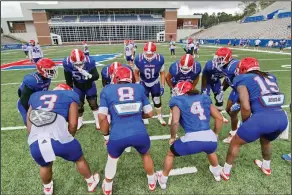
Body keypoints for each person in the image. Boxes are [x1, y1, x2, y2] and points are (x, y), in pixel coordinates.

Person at [220, 57, 288, 180]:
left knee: (235, 142)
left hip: (262, 119)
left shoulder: (242, 78)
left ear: (243, 69)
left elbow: (245, 107)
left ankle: (225, 171)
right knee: (266, 140)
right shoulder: (271, 76)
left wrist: (247, 123)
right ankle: (266, 167)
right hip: (281, 117)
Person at [27, 83, 100, 195]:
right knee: (79, 159)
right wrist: (69, 137)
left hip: (37, 140)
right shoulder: (70, 96)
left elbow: (29, 121)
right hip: (60, 138)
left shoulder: (35, 96)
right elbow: (73, 124)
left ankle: (47, 189)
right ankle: (91, 182)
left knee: (45, 164)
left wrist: (34, 137)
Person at [98, 67, 157, 195]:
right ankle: (152, 181)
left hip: (117, 134)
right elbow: (150, 113)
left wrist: (106, 136)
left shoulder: (107, 90)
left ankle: (108, 186)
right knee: (146, 155)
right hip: (139, 132)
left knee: (112, 159)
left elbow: (102, 117)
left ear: (115, 78)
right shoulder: (139, 88)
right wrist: (136, 116)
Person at [157, 81, 224, 190]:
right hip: (210, 138)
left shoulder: (177, 100)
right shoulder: (204, 97)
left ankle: (163, 180)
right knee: (210, 150)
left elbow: (175, 122)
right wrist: (215, 134)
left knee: (170, 154)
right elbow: (219, 118)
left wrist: (173, 137)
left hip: (192, 140)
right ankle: (216, 173)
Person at [63, 49, 100, 130]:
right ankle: (80, 121)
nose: (79, 66)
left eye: (81, 63)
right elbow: (68, 77)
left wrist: (89, 75)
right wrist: (69, 87)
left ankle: (97, 120)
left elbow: (96, 76)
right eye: (77, 64)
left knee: (93, 103)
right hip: (77, 86)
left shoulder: (90, 61)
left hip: (89, 85)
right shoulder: (67, 63)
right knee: (78, 105)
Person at [211, 47, 241, 143]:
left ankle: (234, 134)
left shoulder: (234, 66)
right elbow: (228, 79)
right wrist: (222, 89)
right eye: (217, 58)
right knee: (228, 110)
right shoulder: (226, 66)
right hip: (235, 89)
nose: (218, 61)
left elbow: (245, 82)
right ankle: (237, 125)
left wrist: (241, 100)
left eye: (220, 59)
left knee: (233, 112)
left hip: (242, 90)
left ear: (227, 58)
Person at [134, 41, 166, 126]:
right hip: (143, 82)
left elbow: (162, 73)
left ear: (155, 52)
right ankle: (145, 117)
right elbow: (136, 72)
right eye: (147, 53)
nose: (148, 55)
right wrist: (137, 83)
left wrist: (162, 86)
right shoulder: (139, 58)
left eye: (150, 53)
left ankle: (159, 116)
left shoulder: (160, 59)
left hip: (155, 81)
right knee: (144, 100)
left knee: (157, 99)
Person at [17, 58, 57, 126]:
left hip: (37, 100)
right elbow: (23, 98)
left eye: (52, 70)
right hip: (26, 103)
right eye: (50, 71)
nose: (52, 73)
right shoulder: (32, 80)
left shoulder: (47, 77)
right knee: (30, 123)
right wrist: (30, 112)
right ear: (42, 70)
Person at [166, 54, 201, 125]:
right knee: (174, 100)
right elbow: (168, 78)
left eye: (187, 69)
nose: (185, 70)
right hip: (176, 83)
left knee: (189, 100)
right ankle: (171, 115)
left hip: (188, 84)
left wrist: (193, 86)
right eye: (183, 68)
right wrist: (172, 88)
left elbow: (197, 77)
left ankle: (187, 115)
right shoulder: (174, 67)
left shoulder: (197, 67)